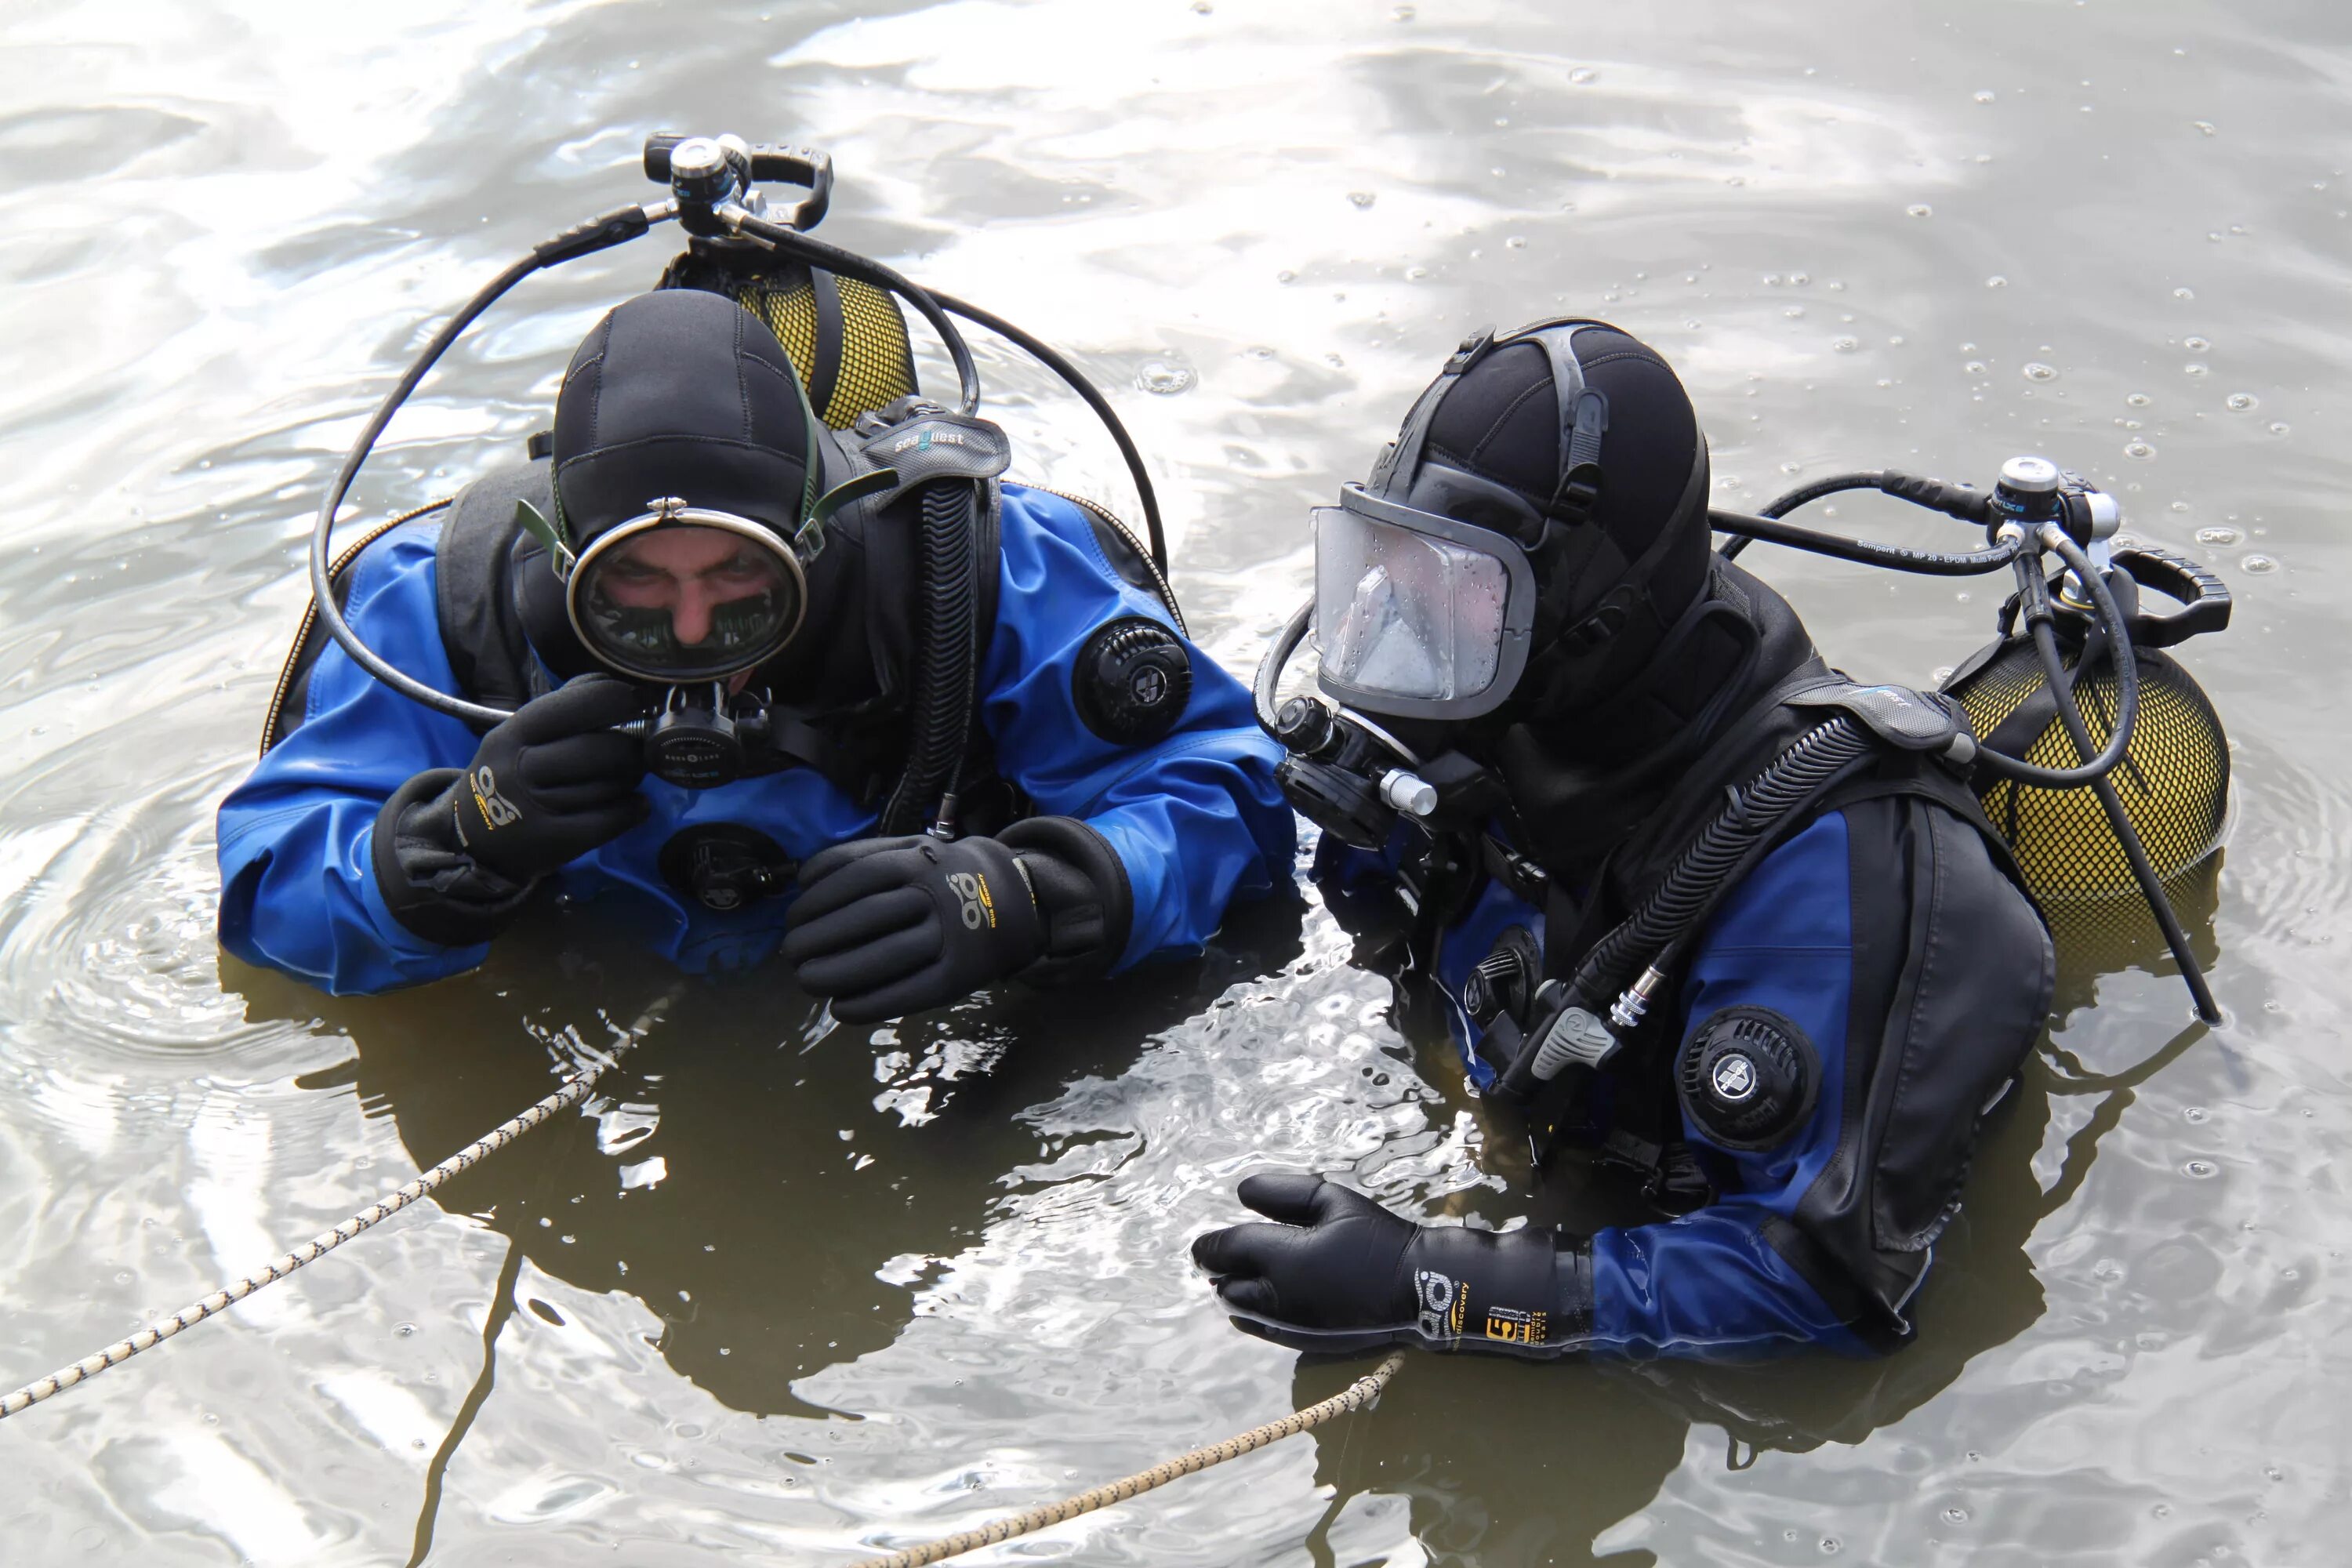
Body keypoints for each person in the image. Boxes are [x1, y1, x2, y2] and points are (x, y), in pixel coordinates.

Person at [1193, 318, 2054, 1358]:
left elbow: (1819, 1279)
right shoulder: (1484, 724)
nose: (1407, 619)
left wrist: (1432, 1285)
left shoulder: (1828, 864)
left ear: (1597, 615)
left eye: (1463, 583)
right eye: (1395, 558)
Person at [217, 285, 1294, 1009]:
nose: (694, 634)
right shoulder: (444, 603)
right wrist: (457, 839)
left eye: (740, 582)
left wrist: (1033, 896)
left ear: (815, 540)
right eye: (634, 585)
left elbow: (1232, 791)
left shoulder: (976, 564)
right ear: (561, 555)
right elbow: (265, 892)